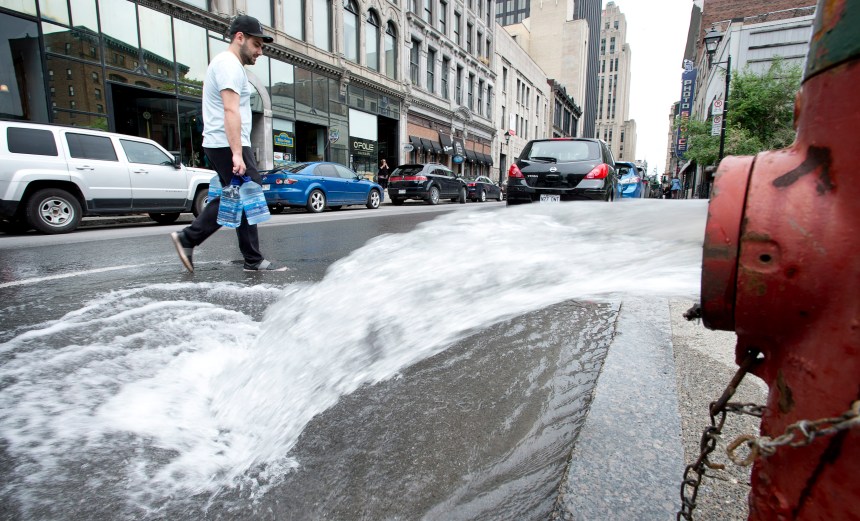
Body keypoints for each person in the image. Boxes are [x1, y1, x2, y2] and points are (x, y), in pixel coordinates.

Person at [170, 15, 286, 273]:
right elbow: (230, 110)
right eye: (257, 45)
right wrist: (237, 153)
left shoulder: (230, 66)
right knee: (247, 191)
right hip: (227, 143)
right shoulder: (228, 65)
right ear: (239, 37)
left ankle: (250, 258)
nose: (260, 52)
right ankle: (190, 238)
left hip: (225, 142)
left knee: (240, 195)